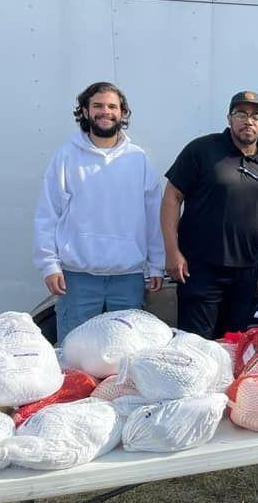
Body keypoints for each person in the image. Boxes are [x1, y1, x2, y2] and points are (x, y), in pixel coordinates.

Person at [33, 81, 165, 343]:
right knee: (74, 354)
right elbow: (48, 214)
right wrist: (49, 264)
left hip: (128, 278)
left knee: (126, 355)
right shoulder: (66, 157)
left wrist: (157, 266)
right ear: (84, 111)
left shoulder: (137, 160)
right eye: (98, 106)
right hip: (77, 278)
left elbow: (154, 217)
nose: (106, 112)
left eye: (112, 106)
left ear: (123, 113)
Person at [161, 90, 258, 339]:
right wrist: (172, 251)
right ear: (229, 118)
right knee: (195, 347)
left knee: (233, 345)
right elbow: (172, 198)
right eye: (241, 114)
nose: (248, 120)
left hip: (245, 274)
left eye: (256, 116)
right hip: (199, 270)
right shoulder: (202, 150)